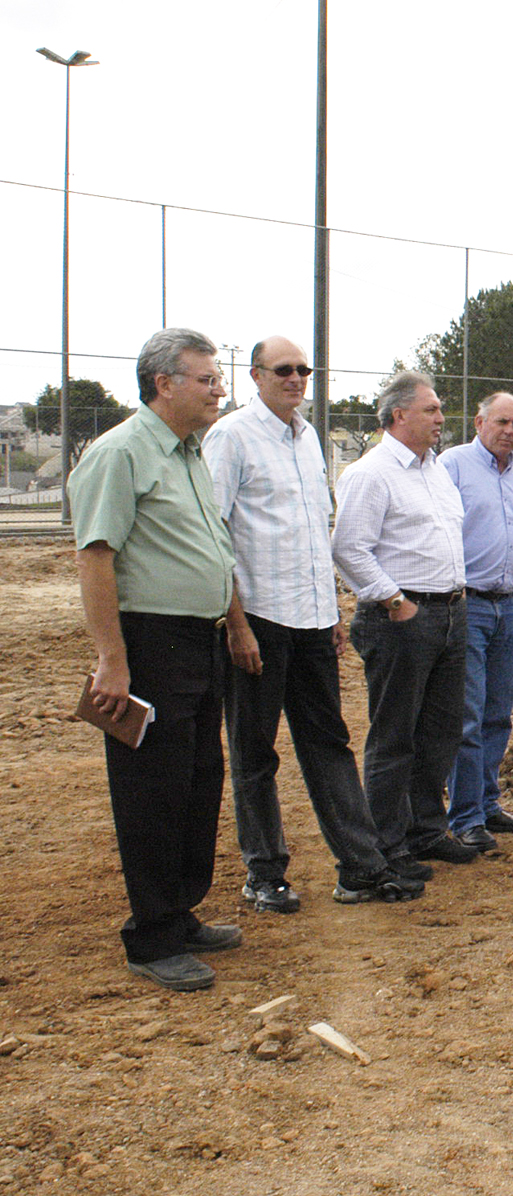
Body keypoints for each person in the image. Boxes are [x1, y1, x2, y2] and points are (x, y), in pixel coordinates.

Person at [205, 336, 422, 910]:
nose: (296, 378)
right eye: (284, 369)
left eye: (303, 369)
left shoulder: (307, 439)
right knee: (255, 753)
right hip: (258, 620)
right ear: (256, 375)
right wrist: (236, 625)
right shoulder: (231, 437)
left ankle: (360, 868)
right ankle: (264, 873)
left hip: (311, 621)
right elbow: (214, 535)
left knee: (329, 744)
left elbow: (311, 534)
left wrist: (330, 611)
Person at [70, 328, 242, 991]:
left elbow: (211, 548)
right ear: (163, 384)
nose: (218, 389)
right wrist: (112, 660)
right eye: (207, 378)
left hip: (200, 641)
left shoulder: (190, 453)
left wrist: (233, 625)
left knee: (199, 779)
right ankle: (152, 936)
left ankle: (179, 911)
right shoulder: (120, 454)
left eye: (218, 378)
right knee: (153, 790)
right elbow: (96, 557)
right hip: (150, 645)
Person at [331, 370, 478, 879]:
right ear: (399, 415)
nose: (441, 418)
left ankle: (427, 831)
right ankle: (388, 845)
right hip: (401, 619)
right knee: (395, 736)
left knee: (440, 732)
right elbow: (349, 548)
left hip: (450, 614)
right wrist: (394, 600)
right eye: (431, 409)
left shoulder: (435, 470)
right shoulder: (371, 474)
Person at [439, 393, 513, 852]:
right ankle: (466, 816)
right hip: (469, 605)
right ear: (479, 422)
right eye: (501, 422)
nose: (509, 431)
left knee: (498, 712)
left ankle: (487, 801)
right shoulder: (452, 466)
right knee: (468, 715)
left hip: (509, 606)